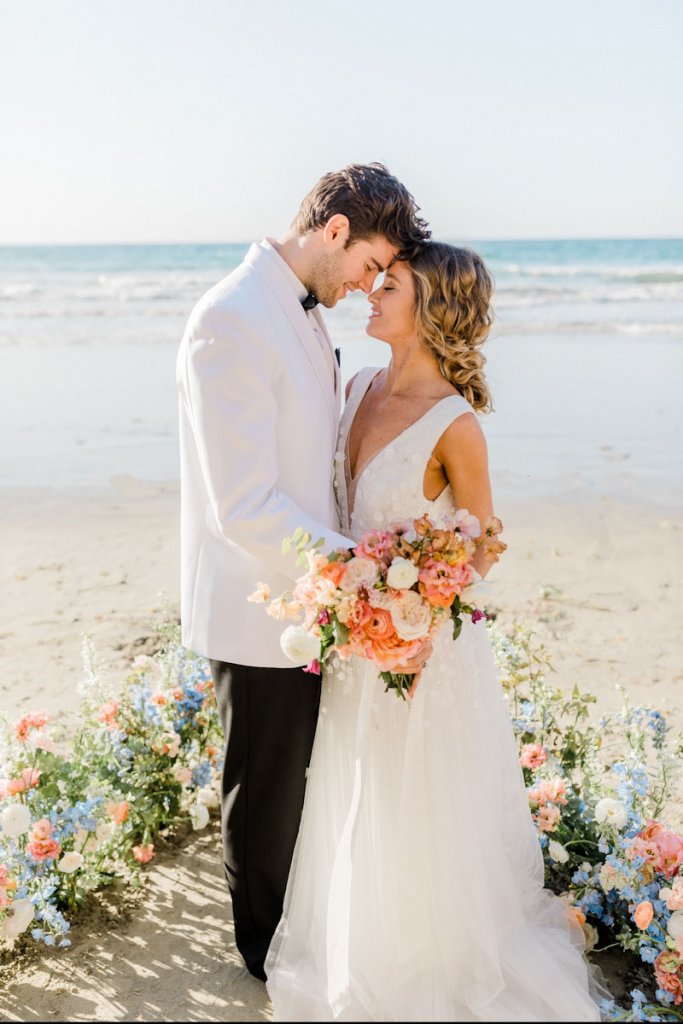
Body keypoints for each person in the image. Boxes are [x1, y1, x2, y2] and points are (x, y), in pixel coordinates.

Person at [265, 242, 603, 1020]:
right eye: (374, 279)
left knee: (417, 806)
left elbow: (481, 545)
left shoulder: (454, 423)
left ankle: (422, 967)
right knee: (355, 794)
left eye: (391, 285)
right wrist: (357, 597)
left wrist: (407, 593)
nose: (372, 292)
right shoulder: (354, 389)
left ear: (432, 309)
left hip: (423, 653)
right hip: (356, 647)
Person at [176, 163, 431, 981]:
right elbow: (243, 505)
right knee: (263, 796)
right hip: (259, 609)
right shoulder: (232, 320)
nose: (367, 286)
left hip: (305, 601)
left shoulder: (299, 313)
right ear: (333, 232)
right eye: (368, 265)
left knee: (293, 789)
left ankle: (286, 937)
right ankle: (262, 958)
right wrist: (357, 573)